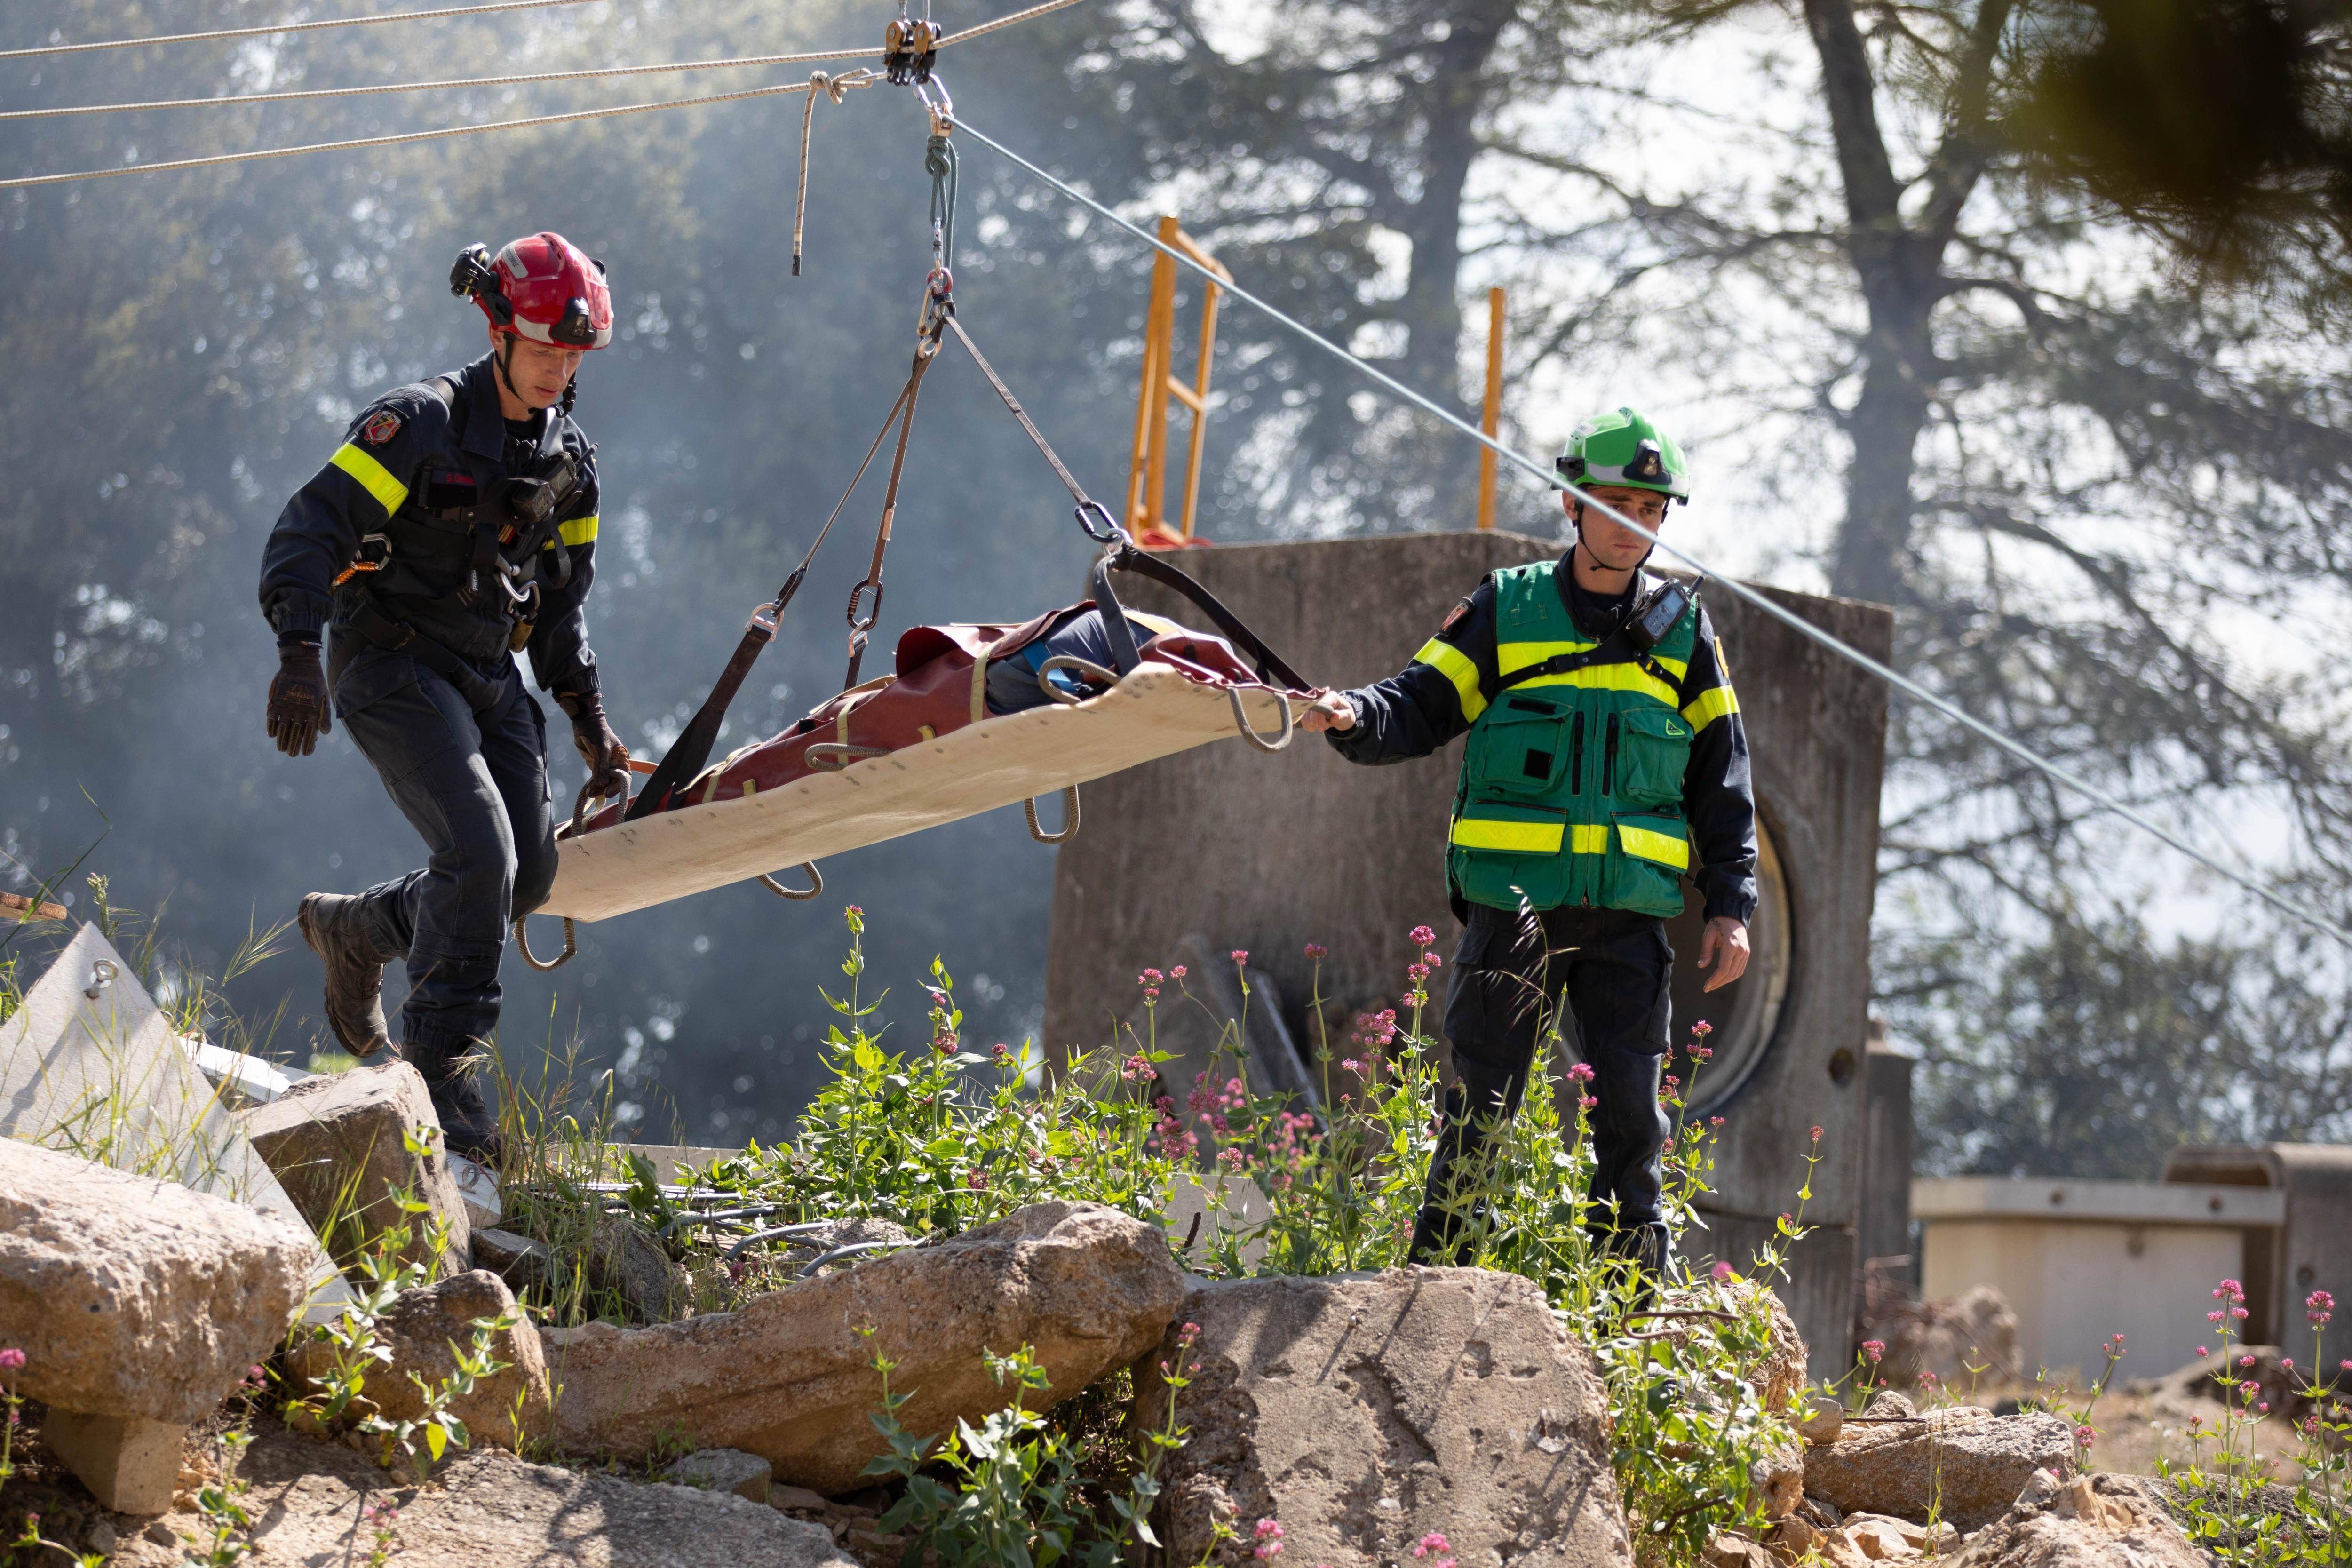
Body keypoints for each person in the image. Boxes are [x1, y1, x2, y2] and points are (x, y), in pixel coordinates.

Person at [1300, 407, 1757, 1272]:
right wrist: (1352, 714)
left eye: (1653, 509)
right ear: (1571, 502)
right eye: (1617, 502)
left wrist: (1731, 904)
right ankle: (1439, 1290)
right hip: (1514, 911)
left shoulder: (1687, 634)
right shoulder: (1504, 609)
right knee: (1478, 1109)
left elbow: (1723, 776)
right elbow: (1417, 703)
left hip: (1628, 920)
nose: (1635, 524)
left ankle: (1630, 1308)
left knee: (1632, 1123)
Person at [256, 231, 629, 1159]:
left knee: (526, 875)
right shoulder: (418, 422)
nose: (557, 370)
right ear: (497, 329)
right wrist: (300, 649)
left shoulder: (572, 462)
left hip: (489, 675)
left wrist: (588, 719)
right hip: (389, 661)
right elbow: (310, 527)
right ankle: (439, 1078)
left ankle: (355, 932)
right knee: (477, 848)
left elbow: (560, 608)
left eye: (574, 355)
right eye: (544, 349)